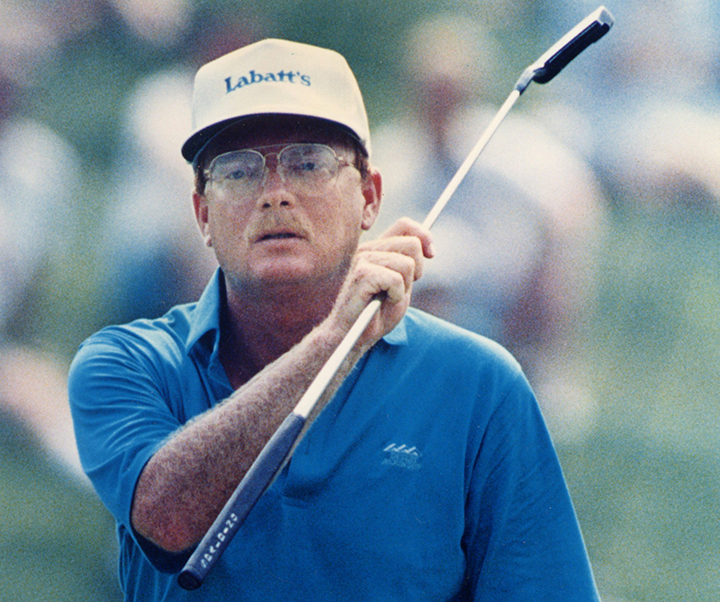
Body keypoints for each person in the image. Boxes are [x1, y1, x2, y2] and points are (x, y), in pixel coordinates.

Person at [68, 38, 600, 601]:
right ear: (202, 213)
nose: (274, 194)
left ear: (370, 198)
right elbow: (167, 519)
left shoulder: (480, 385)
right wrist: (334, 342)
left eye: (307, 163)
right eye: (239, 172)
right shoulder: (124, 363)